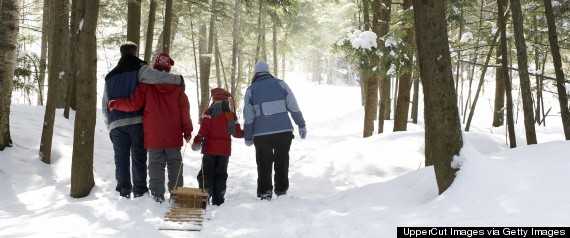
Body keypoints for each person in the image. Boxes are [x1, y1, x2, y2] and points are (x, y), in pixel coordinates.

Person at [108, 53, 193, 203]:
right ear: (169, 68)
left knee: (155, 165)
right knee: (174, 164)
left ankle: (157, 194)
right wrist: (187, 131)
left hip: (153, 135)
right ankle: (177, 193)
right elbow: (184, 112)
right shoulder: (177, 89)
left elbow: (133, 104)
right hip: (173, 134)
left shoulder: (145, 86)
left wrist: (115, 103)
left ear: (155, 67)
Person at [243, 60, 307, 200]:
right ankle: (281, 190)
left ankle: (265, 192)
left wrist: (248, 137)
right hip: (283, 131)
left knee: (264, 163)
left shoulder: (251, 90)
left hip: (261, 134)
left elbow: (248, 117)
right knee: (282, 160)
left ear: (256, 73)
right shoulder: (280, 84)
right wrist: (301, 124)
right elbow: (293, 106)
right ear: (268, 71)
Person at [192, 88, 244, 206]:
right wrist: (248, 133)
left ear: (214, 100)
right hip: (224, 151)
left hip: (210, 149)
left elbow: (204, 130)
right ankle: (218, 199)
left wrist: (197, 141)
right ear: (226, 100)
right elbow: (236, 133)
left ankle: (205, 195)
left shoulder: (209, 113)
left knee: (206, 173)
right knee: (221, 174)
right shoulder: (230, 115)